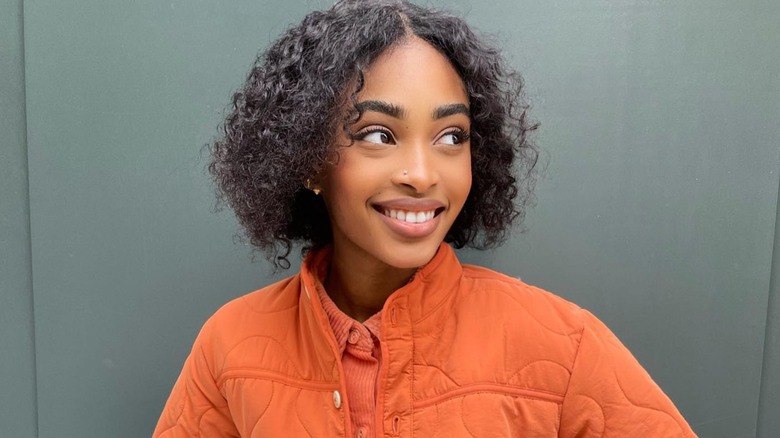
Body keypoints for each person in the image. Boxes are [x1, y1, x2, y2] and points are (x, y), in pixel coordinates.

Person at [154, 0, 696, 436]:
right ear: (309, 160)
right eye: (377, 135)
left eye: (450, 137)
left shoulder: (564, 346)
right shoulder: (230, 345)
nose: (421, 173)